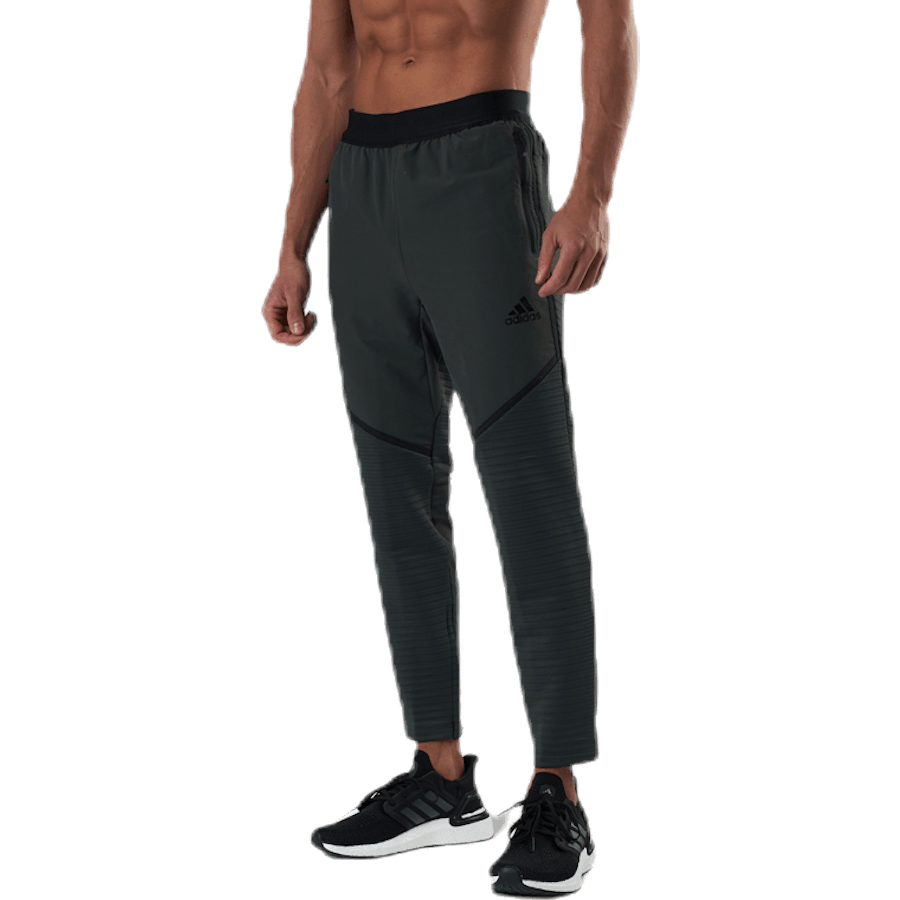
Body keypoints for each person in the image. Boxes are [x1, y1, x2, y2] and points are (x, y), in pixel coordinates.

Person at [261, 1, 638, 895]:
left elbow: (610, 22)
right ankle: (438, 775)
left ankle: (557, 790)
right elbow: (328, 69)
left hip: (480, 163)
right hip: (361, 182)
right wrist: (293, 242)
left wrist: (591, 195)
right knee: (395, 486)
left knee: (527, 480)